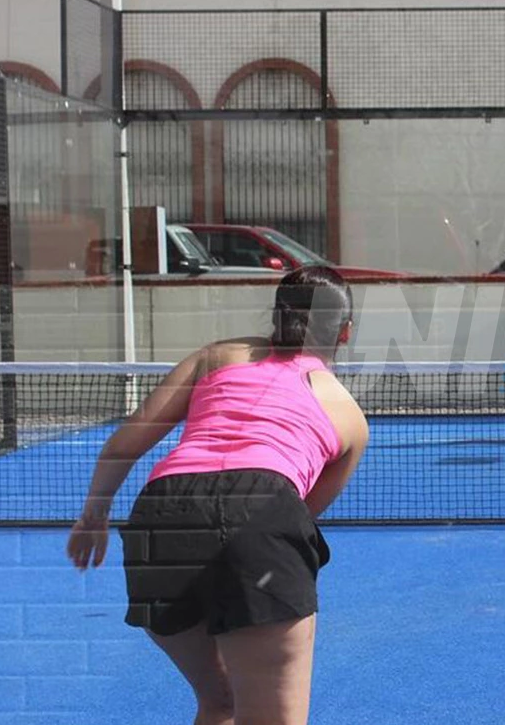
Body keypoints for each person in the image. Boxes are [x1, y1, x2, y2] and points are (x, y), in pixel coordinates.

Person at [66, 266, 370, 725]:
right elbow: (301, 511)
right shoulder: (349, 416)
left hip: (159, 518)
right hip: (262, 512)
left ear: (277, 315)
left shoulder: (216, 357)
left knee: (222, 700)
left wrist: (94, 516)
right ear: (344, 334)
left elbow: (123, 445)